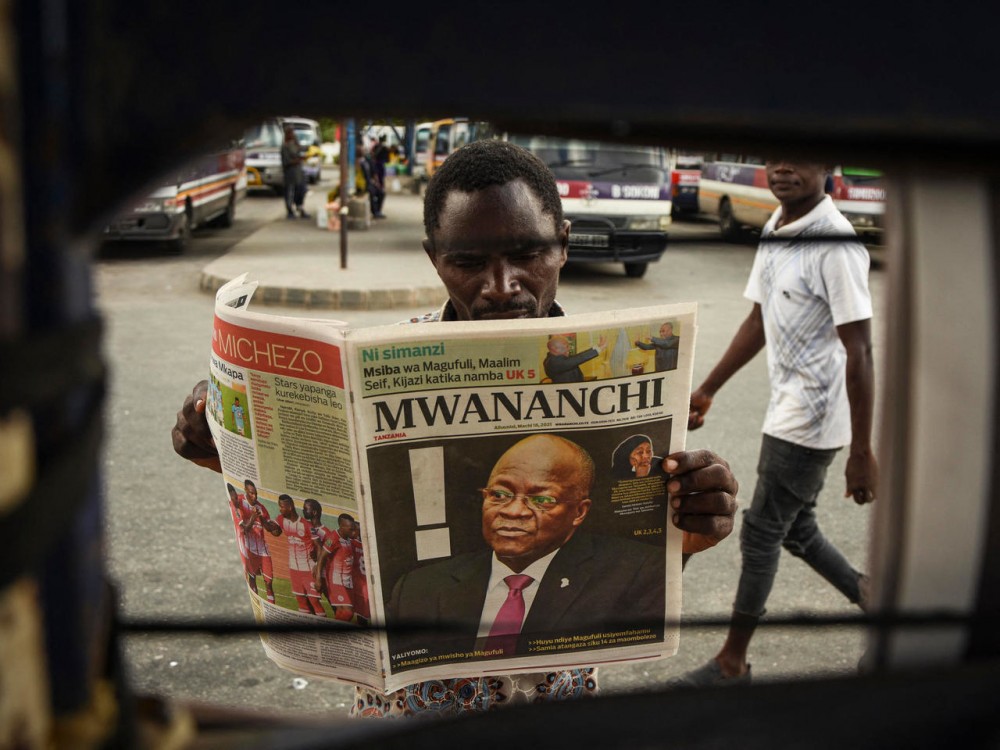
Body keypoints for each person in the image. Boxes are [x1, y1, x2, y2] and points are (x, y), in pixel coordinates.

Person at [172, 138, 739, 718]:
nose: (501, 285)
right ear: (434, 257)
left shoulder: (614, 377)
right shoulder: (377, 367)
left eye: (528, 255)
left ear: (564, 244)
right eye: (468, 263)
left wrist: (688, 531)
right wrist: (216, 439)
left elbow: (628, 575)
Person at [676, 158, 877, 687]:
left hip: (810, 420)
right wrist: (708, 388)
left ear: (829, 166)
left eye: (800, 156)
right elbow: (759, 318)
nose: (784, 167)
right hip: (785, 408)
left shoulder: (835, 244)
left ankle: (731, 663)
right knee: (797, 529)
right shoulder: (777, 227)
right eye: (773, 157)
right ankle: (875, 600)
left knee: (763, 532)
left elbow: (860, 350)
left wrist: (862, 450)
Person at [388, 434, 665, 659]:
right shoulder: (417, 588)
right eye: (499, 494)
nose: (514, 511)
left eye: (541, 500)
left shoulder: (630, 573)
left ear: (579, 512)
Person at [275, 495, 325, 616]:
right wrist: (259, 518)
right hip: (294, 569)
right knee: (301, 602)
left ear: (290, 507)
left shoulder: (307, 526)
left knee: (315, 602)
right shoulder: (281, 520)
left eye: (282, 507)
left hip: (308, 569)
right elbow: (274, 530)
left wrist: (317, 568)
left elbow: (319, 546)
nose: (280, 509)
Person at [238, 479, 279, 603]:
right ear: (245, 491)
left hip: (263, 549)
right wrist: (253, 518)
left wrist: (267, 522)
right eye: (251, 493)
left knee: (269, 582)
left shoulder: (261, 507)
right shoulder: (240, 503)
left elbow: (268, 529)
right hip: (250, 549)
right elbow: (244, 530)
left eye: (256, 493)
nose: (254, 496)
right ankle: (257, 605)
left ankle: (272, 607)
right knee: (252, 578)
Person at [313, 510, 357, 622]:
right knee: (348, 612)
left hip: (348, 580)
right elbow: (322, 557)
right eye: (350, 529)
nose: (353, 531)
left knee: (341, 613)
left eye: (353, 528)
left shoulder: (348, 539)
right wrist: (318, 579)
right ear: (341, 527)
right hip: (336, 580)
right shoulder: (333, 539)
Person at [542, 334, 607, 383]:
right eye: (566, 346)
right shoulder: (552, 362)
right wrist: (598, 349)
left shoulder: (561, 358)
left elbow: (576, 358)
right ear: (555, 349)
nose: (569, 349)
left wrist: (597, 347)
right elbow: (578, 359)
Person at [281, 125, 309, 219]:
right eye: (291, 132)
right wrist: (297, 160)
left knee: (301, 190)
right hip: (290, 173)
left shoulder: (295, 144)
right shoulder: (285, 146)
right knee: (289, 192)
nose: (293, 134)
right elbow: (286, 162)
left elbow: (301, 151)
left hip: (299, 173)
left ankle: (300, 207)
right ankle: (289, 211)